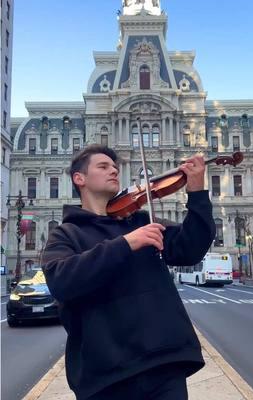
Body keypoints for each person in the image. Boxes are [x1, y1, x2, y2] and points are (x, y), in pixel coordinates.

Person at [42, 144, 216, 400]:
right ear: (79, 179)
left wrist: (198, 192)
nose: (113, 171)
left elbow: (189, 249)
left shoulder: (141, 221)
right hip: (106, 376)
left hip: (163, 365)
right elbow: (62, 281)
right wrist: (126, 244)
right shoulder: (66, 234)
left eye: (115, 167)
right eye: (103, 166)